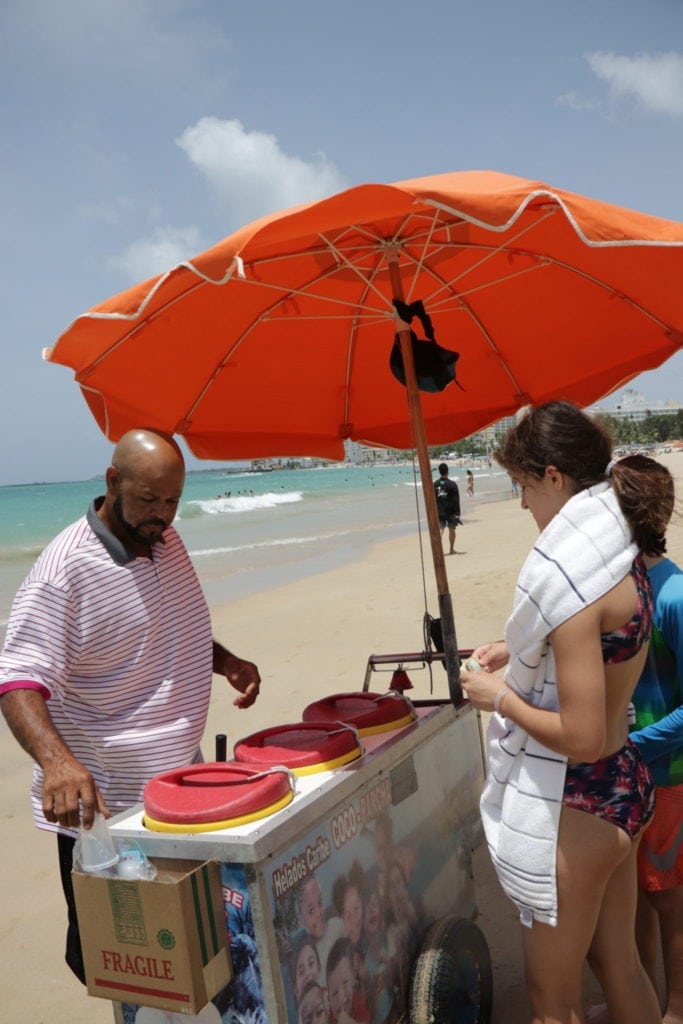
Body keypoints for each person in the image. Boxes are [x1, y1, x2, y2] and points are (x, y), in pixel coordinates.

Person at [0, 429, 262, 986]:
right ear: (113, 482)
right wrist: (56, 762)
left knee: (196, 942)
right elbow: (19, 679)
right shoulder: (63, 573)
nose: (162, 515)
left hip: (178, 788)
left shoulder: (166, 541)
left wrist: (226, 661)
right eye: (148, 500)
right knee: (121, 957)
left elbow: (166, 627)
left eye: (172, 500)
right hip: (109, 814)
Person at [460, 401, 672, 1024]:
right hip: (625, 784)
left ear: (555, 478)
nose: (524, 504)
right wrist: (522, 648)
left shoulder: (576, 587)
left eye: (524, 486)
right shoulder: (621, 559)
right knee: (621, 966)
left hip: (578, 799)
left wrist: (499, 697)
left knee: (553, 1001)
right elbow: (607, 654)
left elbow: (579, 736)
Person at [630, 532, 683, 1024]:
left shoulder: (673, 594)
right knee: (635, 899)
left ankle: (676, 1008)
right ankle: (642, 1003)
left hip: (668, 771)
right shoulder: (630, 587)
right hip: (630, 770)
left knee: (667, 896)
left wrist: (630, 744)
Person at [433, 462, 461, 555]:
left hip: (439, 511)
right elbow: (456, 500)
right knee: (451, 529)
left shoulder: (435, 484)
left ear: (439, 472)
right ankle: (451, 550)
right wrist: (458, 513)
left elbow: (432, 499)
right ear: (447, 471)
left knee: (441, 529)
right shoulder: (452, 484)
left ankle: (438, 551)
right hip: (451, 512)